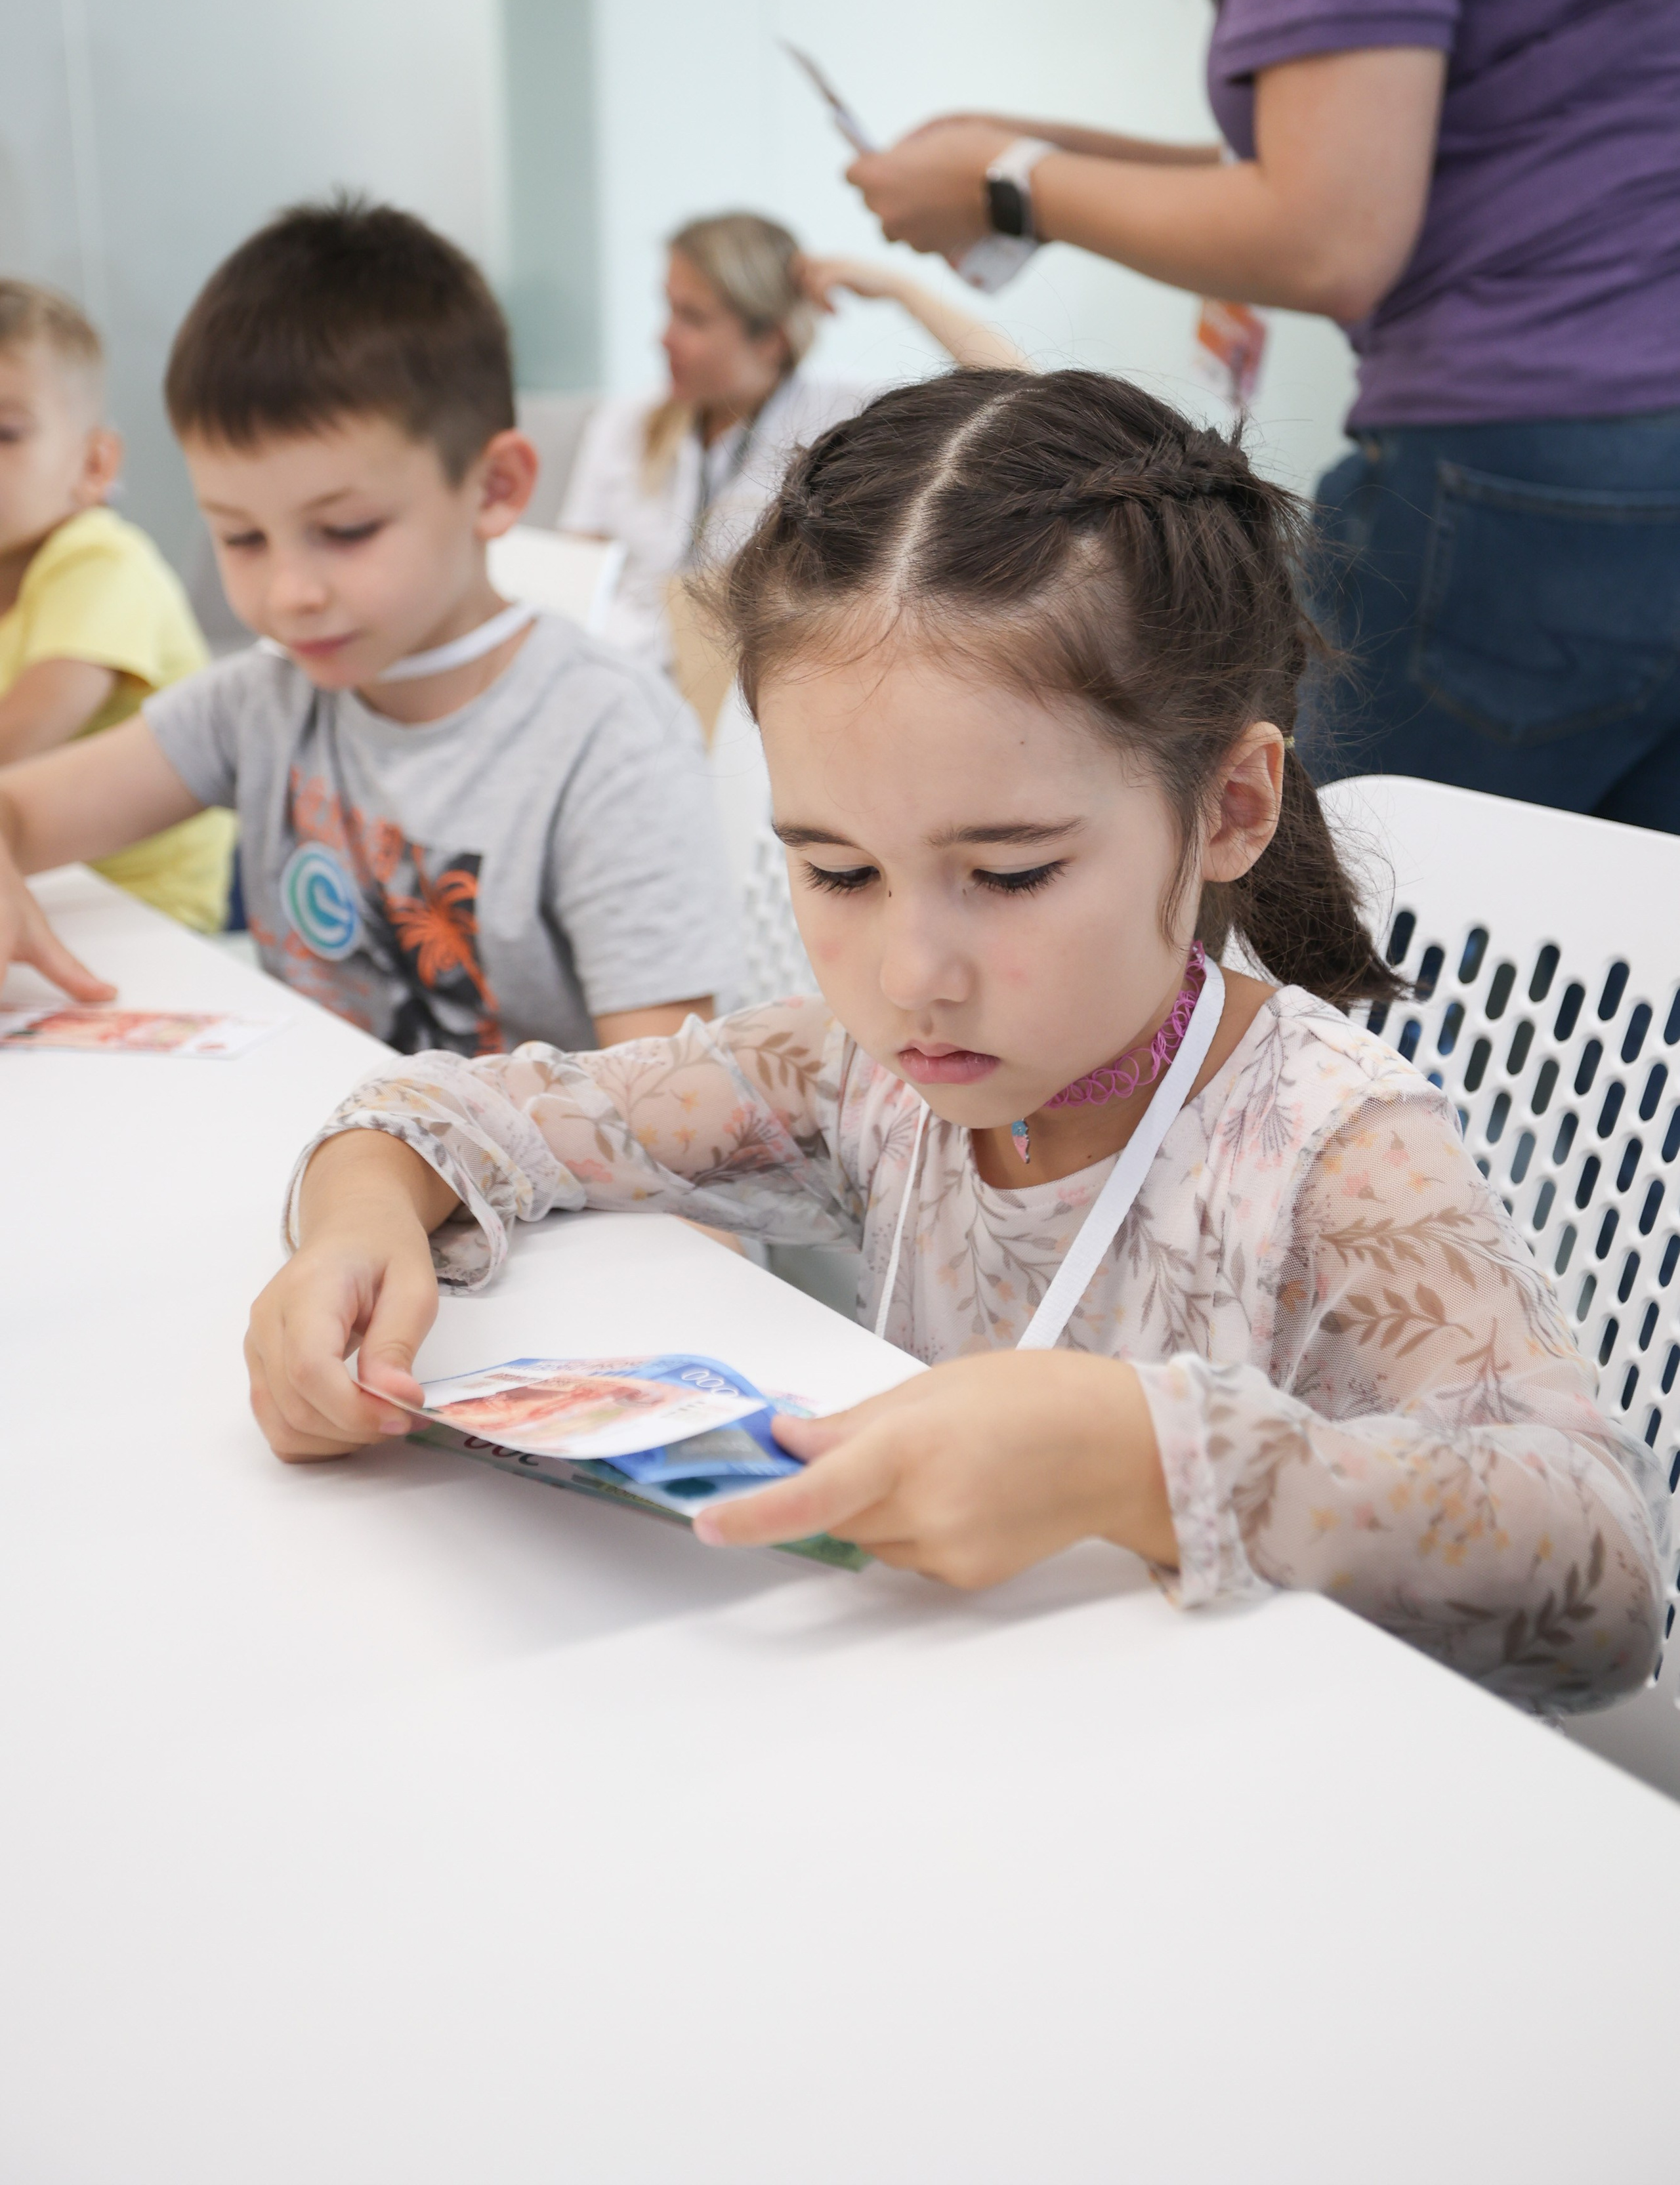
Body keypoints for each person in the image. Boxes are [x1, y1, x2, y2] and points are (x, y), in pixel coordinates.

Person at [244, 368, 1664, 1713]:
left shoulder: (1330, 1152)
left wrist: (1136, 1461)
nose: (912, 977)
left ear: (1229, 807)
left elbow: (1598, 1571)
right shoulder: (865, 1077)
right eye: (838, 873)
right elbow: (488, 1111)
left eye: (1010, 873)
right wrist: (359, 1213)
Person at [843, 0, 1680, 826]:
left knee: (1340, 960)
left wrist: (1013, 187)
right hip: (1634, 476)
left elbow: (1332, 230)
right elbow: (1370, 163)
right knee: (1613, 981)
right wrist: (1020, 156)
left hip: (1521, 480)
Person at [0, 198, 739, 1055]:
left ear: (495, 488)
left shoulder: (608, 739)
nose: (289, 594)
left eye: (346, 531)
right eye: (241, 537)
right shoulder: (261, 702)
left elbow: (667, 1104)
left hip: (530, 1184)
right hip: (315, 1137)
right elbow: (18, 808)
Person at [558, 211, 1030, 672]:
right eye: (668, 308)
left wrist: (900, 291)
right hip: (624, 678)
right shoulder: (625, 423)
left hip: (748, 692)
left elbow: (1024, 399)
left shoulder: (844, 415)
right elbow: (571, 584)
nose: (663, 338)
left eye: (693, 318)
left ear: (771, 339)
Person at [0, 281, 236, 930]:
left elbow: (21, 737)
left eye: (4, 433)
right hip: (40, 888)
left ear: (95, 464)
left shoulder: (101, 562)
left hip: (148, 914)